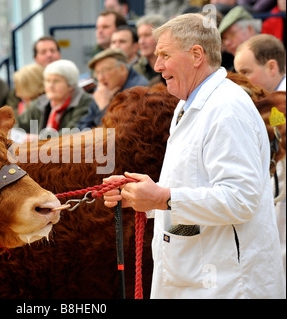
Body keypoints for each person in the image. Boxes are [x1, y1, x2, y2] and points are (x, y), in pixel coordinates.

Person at [102, 13, 285, 298]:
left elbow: (240, 199)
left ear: (196, 54)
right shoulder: (189, 104)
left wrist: (162, 197)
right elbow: (194, 185)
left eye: (164, 54)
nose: (157, 65)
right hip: (199, 275)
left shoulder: (226, 110)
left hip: (229, 284)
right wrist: (140, 197)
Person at [234, 33, 286, 277]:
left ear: (272, 66)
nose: (240, 81)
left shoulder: (279, 104)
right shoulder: (261, 104)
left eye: (245, 72)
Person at [16, 59, 92, 140]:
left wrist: (37, 140)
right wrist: (21, 137)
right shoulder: (41, 102)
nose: (50, 86)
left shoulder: (85, 103)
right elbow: (15, 127)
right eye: (48, 81)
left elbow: (70, 135)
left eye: (56, 81)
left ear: (71, 85)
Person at [77, 48, 148, 130]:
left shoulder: (138, 90)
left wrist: (104, 107)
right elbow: (81, 127)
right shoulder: (105, 90)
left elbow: (123, 132)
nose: (100, 77)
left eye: (105, 70)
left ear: (122, 69)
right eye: (97, 72)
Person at [135, 14, 167, 83]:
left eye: (147, 35)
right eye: (139, 36)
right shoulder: (136, 70)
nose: (141, 41)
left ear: (161, 36)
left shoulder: (173, 66)